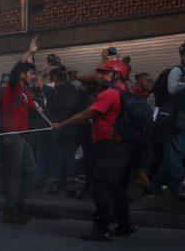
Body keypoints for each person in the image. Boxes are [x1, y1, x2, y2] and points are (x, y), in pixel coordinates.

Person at [52, 59, 133, 240]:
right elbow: (93, 80)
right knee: (116, 187)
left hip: (107, 146)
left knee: (102, 187)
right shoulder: (124, 91)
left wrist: (62, 124)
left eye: (105, 73)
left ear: (117, 75)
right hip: (120, 146)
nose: (100, 76)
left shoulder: (109, 94)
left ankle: (101, 230)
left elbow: (86, 114)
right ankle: (125, 224)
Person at [149, 40, 185, 199]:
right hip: (177, 117)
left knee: (176, 154)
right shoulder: (177, 70)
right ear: (182, 56)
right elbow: (173, 89)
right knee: (176, 154)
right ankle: (176, 187)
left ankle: (155, 184)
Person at [0, 37, 45, 224]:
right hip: (11, 138)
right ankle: (10, 209)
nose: (32, 76)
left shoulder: (26, 93)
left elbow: (36, 108)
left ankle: (15, 204)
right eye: (30, 74)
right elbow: (16, 69)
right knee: (14, 174)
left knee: (31, 172)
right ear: (22, 75)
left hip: (22, 138)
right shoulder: (13, 87)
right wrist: (29, 51)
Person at [45, 64, 83, 194]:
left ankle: (54, 182)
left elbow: (41, 84)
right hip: (71, 127)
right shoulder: (74, 89)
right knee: (70, 155)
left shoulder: (51, 91)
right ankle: (71, 182)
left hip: (56, 128)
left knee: (55, 155)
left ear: (54, 78)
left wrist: (46, 68)